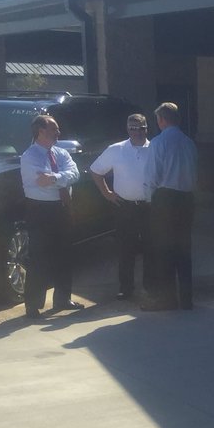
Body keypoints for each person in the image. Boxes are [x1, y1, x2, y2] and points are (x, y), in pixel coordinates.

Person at [19, 114, 83, 319]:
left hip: (62, 207)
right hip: (40, 210)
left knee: (64, 254)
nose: (58, 132)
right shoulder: (30, 156)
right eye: (54, 129)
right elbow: (41, 182)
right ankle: (33, 305)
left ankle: (63, 298)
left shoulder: (61, 153)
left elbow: (75, 174)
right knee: (40, 257)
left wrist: (56, 178)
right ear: (41, 131)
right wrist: (62, 179)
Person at [90, 114, 153, 301]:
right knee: (126, 250)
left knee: (151, 249)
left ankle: (150, 286)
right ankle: (126, 288)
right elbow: (95, 171)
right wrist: (107, 193)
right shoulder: (116, 150)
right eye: (132, 128)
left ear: (146, 128)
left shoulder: (156, 149)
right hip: (125, 207)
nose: (136, 132)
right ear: (127, 129)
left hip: (149, 206)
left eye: (140, 127)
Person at [142, 102, 197, 311]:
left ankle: (166, 299)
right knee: (184, 249)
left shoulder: (158, 142)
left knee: (163, 250)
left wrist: (149, 200)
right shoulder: (189, 142)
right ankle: (186, 298)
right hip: (186, 199)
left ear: (161, 120)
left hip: (166, 199)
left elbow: (152, 176)